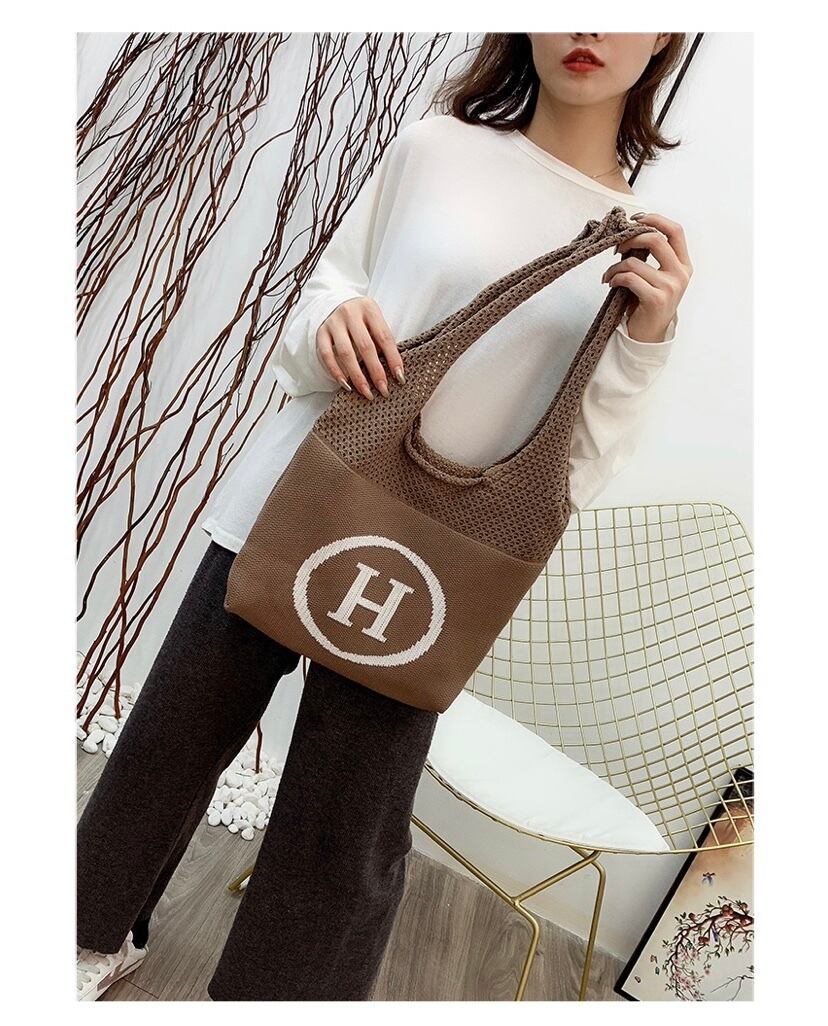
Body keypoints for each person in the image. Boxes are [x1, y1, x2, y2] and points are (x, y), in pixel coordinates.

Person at [77, 32, 693, 1001]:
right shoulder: (435, 148)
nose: (588, 25)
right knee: (172, 737)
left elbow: (577, 469)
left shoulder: (638, 247)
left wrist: (648, 339)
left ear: (665, 34)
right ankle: (84, 937)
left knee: (348, 816)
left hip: (442, 558)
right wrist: (330, 317)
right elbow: (332, 283)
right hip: (301, 489)